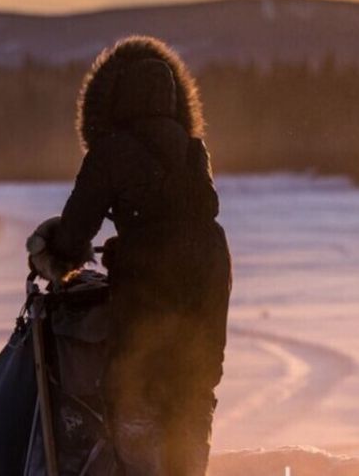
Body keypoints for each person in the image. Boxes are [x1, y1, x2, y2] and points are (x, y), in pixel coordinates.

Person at [27, 36, 232, 475]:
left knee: (137, 393)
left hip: (150, 279)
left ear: (109, 101)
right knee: (194, 390)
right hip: (212, 273)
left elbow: (76, 230)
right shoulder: (194, 151)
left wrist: (49, 252)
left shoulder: (112, 151)